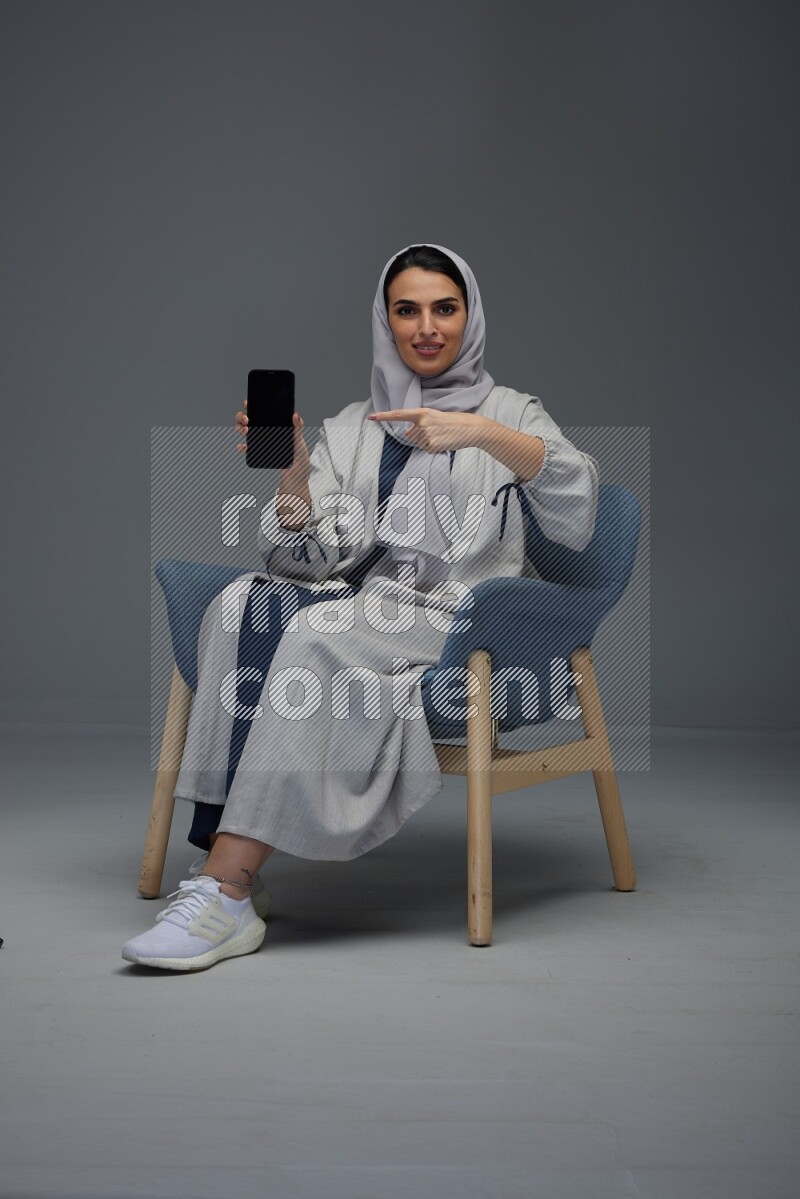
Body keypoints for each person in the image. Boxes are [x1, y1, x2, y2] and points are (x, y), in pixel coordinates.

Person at [122, 243, 599, 971]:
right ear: (386, 321)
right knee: (239, 607)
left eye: (446, 307)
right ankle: (226, 854)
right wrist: (295, 474)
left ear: (470, 316)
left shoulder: (512, 412)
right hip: (370, 603)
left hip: (458, 617)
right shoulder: (355, 425)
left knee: (317, 628)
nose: (428, 326)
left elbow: (578, 513)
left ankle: (225, 888)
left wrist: (480, 432)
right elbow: (308, 557)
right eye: (407, 310)